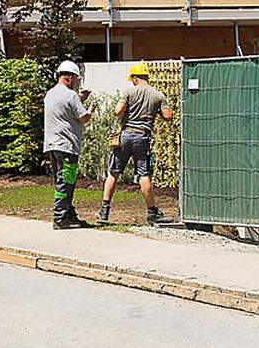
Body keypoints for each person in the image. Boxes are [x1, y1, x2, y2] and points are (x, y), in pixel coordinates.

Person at [96, 62, 174, 225]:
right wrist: (155, 111)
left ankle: (104, 212)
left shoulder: (128, 91)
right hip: (142, 138)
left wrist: (126, 110)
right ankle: (152, 213)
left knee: (113, 173)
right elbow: (168, 116)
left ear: (136, 78)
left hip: (124, 137)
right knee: (144, 175)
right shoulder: (158, 95)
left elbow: (118, 112)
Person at [44, 60, 95, 229]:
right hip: (67, 146)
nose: (76, 81)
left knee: (63, 181)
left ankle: (70, 216)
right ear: (68, 76)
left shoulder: (50, 94)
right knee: (66, 182)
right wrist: (91, 109)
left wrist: (81, 99)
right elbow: (83, 118)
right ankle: (59, 218)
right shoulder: (71, 95)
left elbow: (66, 108)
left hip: (52, 146)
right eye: (74, 77)